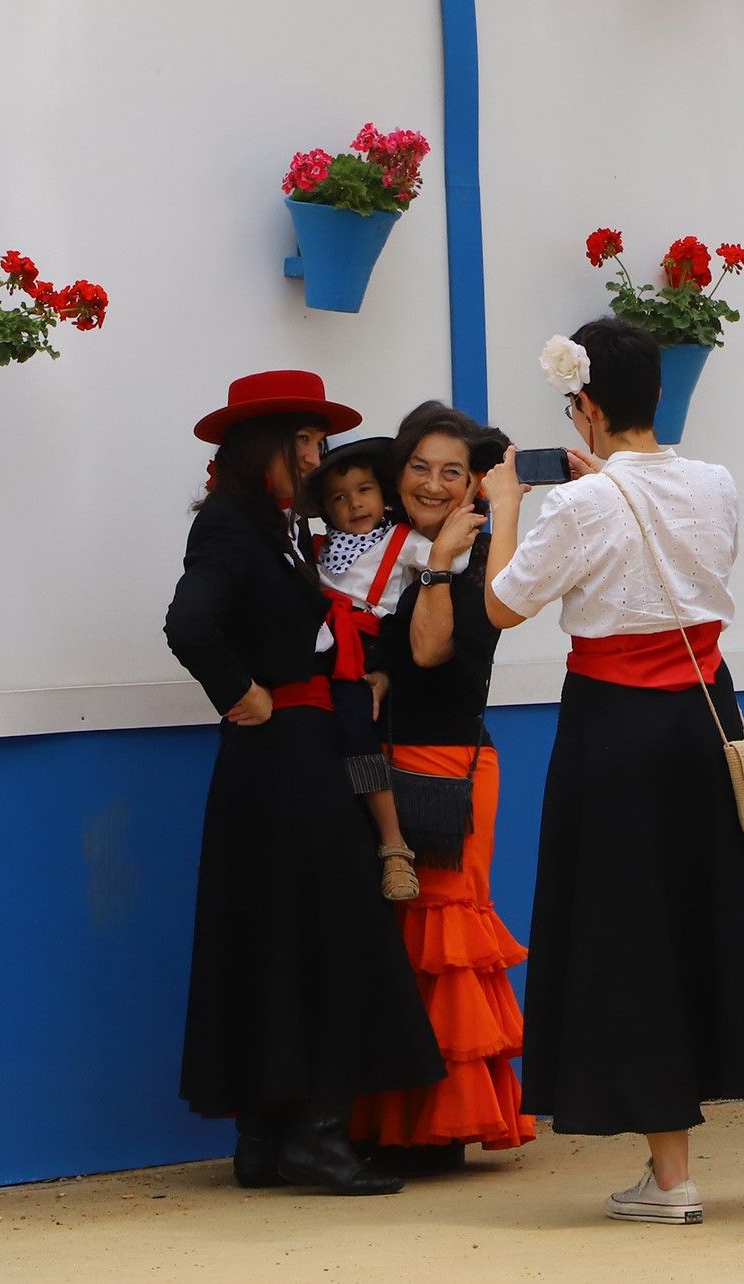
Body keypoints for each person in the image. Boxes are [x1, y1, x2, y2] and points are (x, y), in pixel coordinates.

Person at [482, 318, 744, 1225]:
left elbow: (502, 607)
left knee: (632, 929)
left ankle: (671, 1174)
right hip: (710, 710)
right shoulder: (714, 483)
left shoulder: (578, 503)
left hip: (615, 731)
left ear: (586, 405)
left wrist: (509, 504)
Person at [164, 369, 445, 1197]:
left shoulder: (269, 525)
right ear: (274, 446)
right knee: (336, 933)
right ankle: (318, 1134)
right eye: (312, 443)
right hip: (287, 757)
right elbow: (189, 622)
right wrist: (239, 690)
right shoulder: (232, 525)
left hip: (283, 761)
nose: (322, 459)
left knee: (274, 935)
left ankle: (265, 1137)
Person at [346, 401, 536, 1168]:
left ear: (471, 485)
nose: (431, 483)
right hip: (382, 767)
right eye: (418, 467)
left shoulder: (484, 551)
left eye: (450, 471)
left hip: (448, 767)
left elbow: (430, 653)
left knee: (445, 943)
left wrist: (439, 562)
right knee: (396, 946)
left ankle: (442, 1128)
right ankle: (389, 1122)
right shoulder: (373, 550)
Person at [303, 425, 469, 903]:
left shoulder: (404, 541)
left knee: (356, 728)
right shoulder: (319, 551)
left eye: (364, 490)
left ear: (383, 491)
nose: (353, 504)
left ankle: (394, 846)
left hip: (366, 650)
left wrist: (465, 518)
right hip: (323, 649)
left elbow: (450, 564)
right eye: (337, 498)